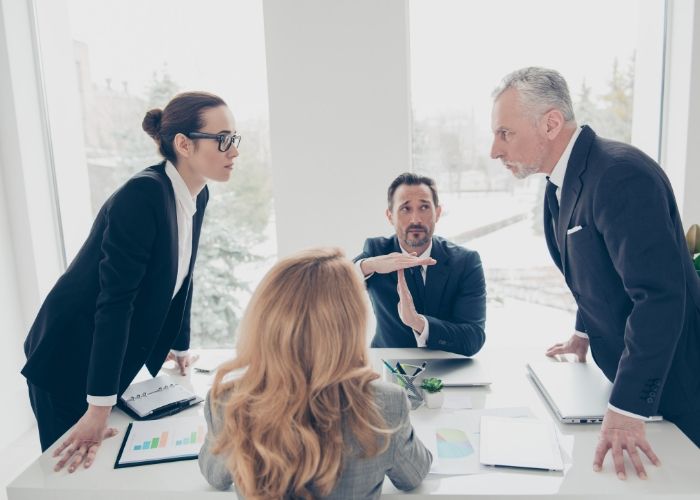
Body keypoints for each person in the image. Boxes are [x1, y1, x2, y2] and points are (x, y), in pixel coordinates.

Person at [490, 67, 700, 479]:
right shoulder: (559, 184)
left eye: (505, 133)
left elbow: (659, 296)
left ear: (550, 123)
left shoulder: (621, 175)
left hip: (676, 386)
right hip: (625, 378)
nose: (495, 150)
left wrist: (626, 410)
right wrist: (584, 332)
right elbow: (599, 268)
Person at [21, 91, 241, 472]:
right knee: (72, 479)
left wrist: (177, 343)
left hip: (100, 358)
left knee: (100, 470)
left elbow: (183, 272)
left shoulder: (196, 192)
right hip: (67, 356)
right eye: (223, 140)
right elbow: (115, 302)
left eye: (234, 139)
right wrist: (99, 406)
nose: (233, 151)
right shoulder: (143, 195)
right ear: (184, 144)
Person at [199, 247, 432, 499]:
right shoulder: (386, 404)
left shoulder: (226, 402)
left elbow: (215, 477)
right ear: (350, 325)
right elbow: (414, 476)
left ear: (264, 319)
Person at [354, 173, 486, 357]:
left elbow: (473, 339)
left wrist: (419, 323)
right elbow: (333, 285)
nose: (415, 219)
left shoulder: (465, 261)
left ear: (437, 212)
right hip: (387, 365)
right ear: (390, 215)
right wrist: (369, 265)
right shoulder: (376, 250)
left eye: (424, 207)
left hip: (446, 370)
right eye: (405, 209)